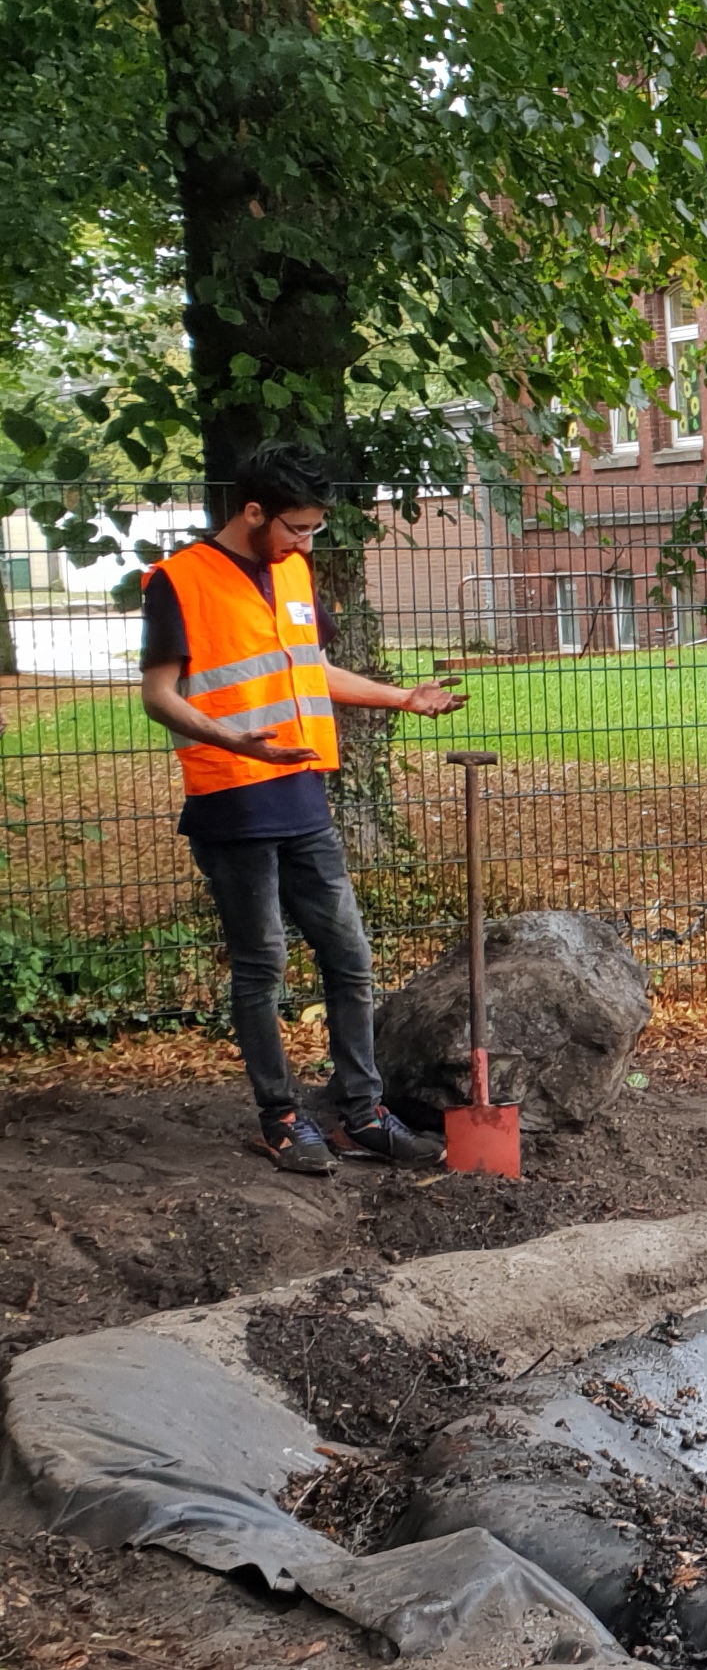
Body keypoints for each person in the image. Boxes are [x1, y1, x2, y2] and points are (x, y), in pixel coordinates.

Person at [137, 446, 467, 1177]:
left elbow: (307, 669)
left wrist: (402, 696)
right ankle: (281, 1120)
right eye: (297, 527)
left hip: (301, 797)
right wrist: (234, 740)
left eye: (315, 529)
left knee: (349, 958)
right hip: (231, 800)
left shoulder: (293, 571)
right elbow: (159, 693)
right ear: (252, 512)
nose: (306, 542)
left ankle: (360, 1115)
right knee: (262, 967)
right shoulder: (177, 582)